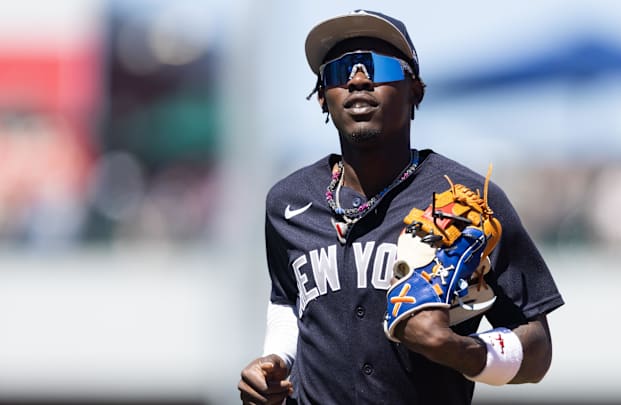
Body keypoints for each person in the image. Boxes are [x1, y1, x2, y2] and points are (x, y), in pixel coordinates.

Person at [238, 9, 564, 405]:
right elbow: (288, 303)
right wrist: (277, 362)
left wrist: (457, 349)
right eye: (340, 71)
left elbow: (537, 350)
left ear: (416, 90)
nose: (358, 79)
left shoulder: (470, 198)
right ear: (323, 97)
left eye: (379, 66)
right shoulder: (288, 202)